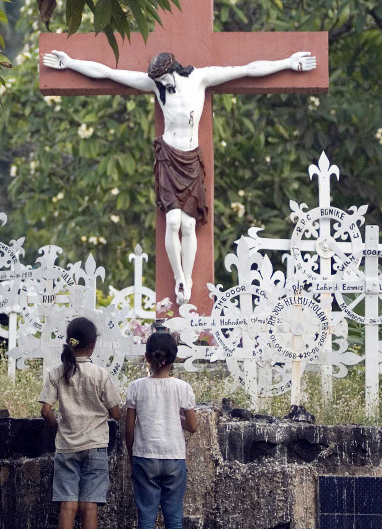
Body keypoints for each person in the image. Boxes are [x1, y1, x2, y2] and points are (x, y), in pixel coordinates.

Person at [42, 49, 317, 305]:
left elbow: (246, 69)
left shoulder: (200, 78)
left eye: (163, 78)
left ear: (173, 69)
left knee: (189, 227)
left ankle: (189, 276)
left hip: (191, 159)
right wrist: (71, 63)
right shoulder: (155, 86)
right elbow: (108, 73)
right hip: (168, 157)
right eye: (157, 80)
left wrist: (287, 64)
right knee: (172, 222)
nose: (161, 83)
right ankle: (180, 280)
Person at [39, 317, 122, 529]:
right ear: (93, 345)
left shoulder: (56, 373)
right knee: (89, 506)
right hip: (95, 445)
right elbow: (115, 413)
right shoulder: (100, 374)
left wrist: (57, 428)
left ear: (69, 341)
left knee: (67, 505)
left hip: (66, 446)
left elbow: (46, 410)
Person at [125, 331, 198, 529]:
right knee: (174, 516)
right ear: (174, 359)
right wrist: (176, 417)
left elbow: (129, 429)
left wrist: (132, 457)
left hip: (145, 456)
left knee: (146, 516)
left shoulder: (136, 387)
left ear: (147, 357)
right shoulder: (183, 387)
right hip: (174, 457)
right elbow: (193, 427)